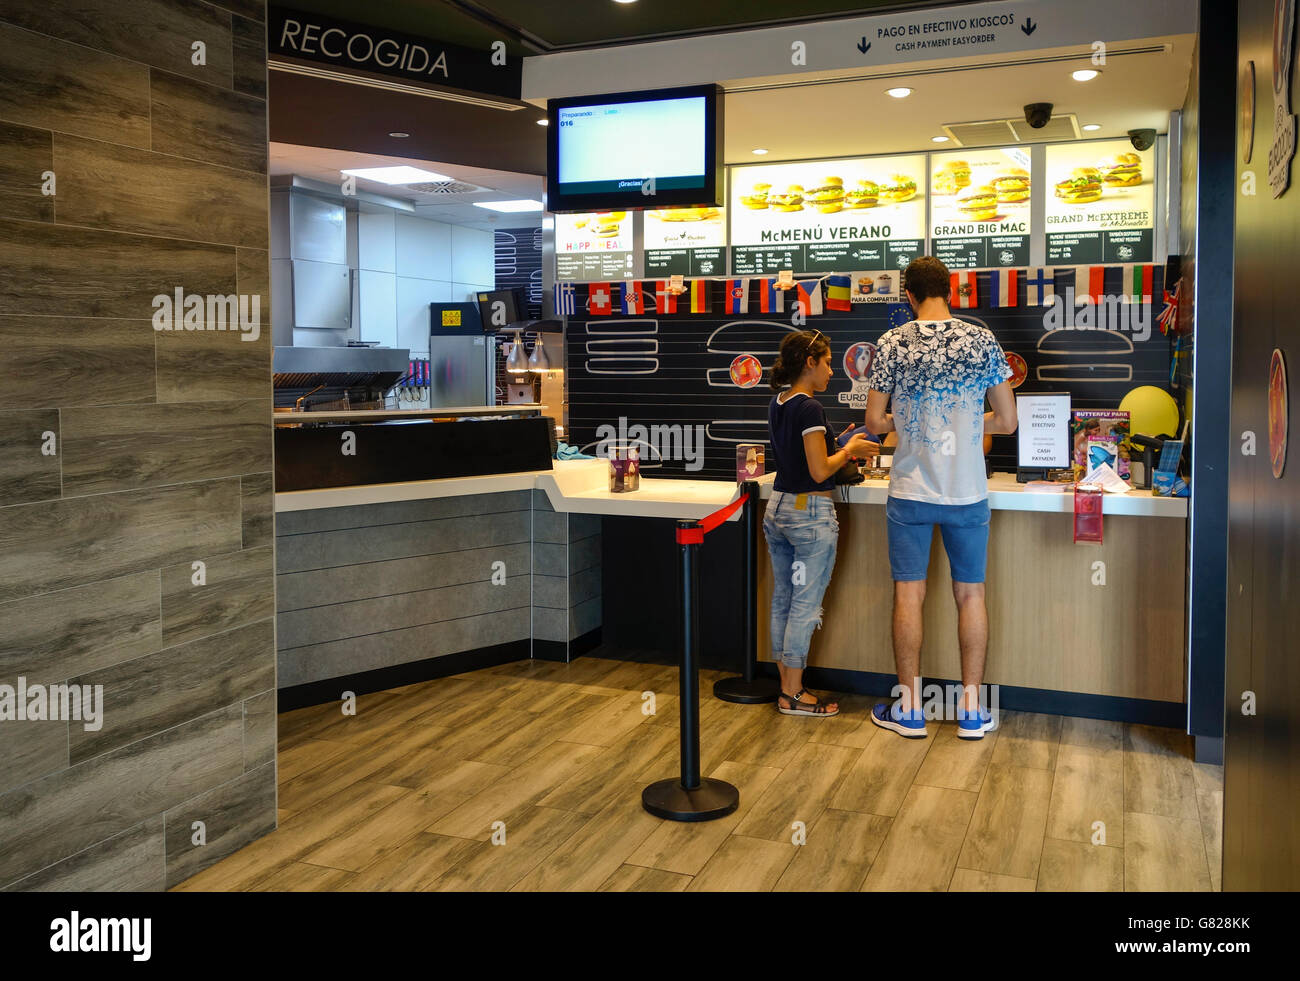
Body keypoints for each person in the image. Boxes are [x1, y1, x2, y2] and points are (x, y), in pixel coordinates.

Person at [864, 256, 1018, 739]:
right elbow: (1008, 422)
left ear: (908, 294)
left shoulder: (892, 343)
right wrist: (969, 425)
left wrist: (907, 425)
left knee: (909, 593)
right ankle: (972, 712)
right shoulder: (980, 339)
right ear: (950, 291)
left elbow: (873, 423)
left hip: (910, 489)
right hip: (967, 491)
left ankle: (909, 710)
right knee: (970, 594)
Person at [765, 329, 878, 717]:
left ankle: (786, 685)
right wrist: (850, 450)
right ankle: (794, 694)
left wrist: (837, 441)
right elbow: (817, 472)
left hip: (780, 508)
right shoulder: (810, 408)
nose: (832, 370)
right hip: (808, 516)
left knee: (784, 600)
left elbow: (800, 458)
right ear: (809, 362)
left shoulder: (781, 401)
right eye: (828, 362)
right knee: (804, 607)